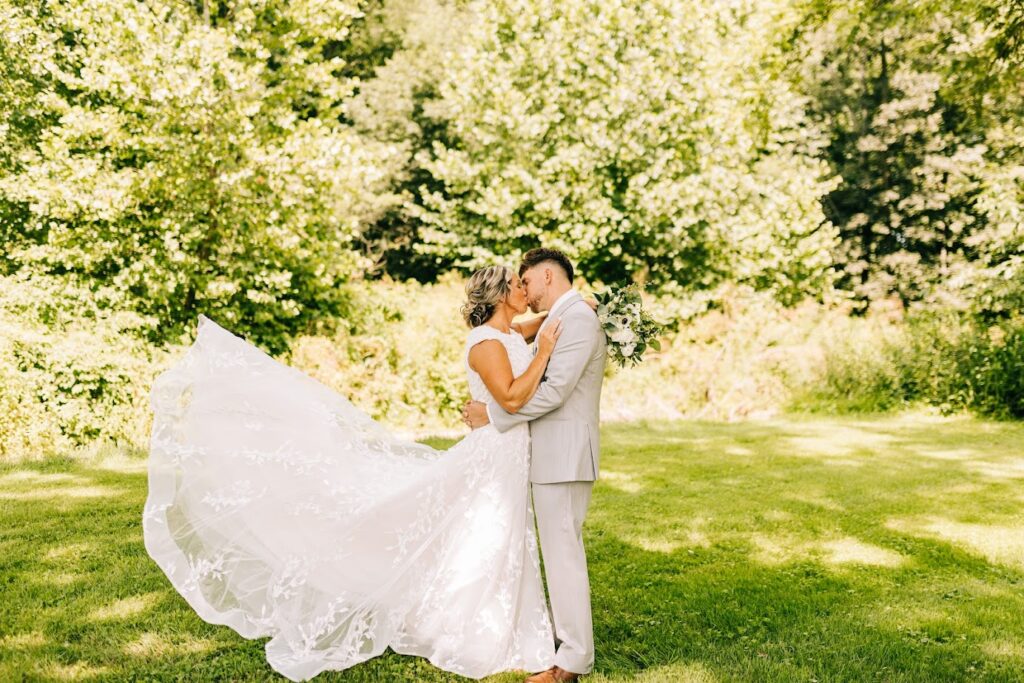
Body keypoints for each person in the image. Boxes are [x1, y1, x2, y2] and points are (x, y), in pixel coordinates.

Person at [143, 263, 569, 682]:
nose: (523, 289)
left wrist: (571, 307)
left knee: (502, 537)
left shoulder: (509, 332)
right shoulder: (485, 343)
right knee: (486, 535)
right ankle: (470, 628)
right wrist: (546, 349)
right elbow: (512, 397)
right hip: (493, 455)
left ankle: (505, 621)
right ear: (497, 295)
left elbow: (537, 326)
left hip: (507, 454)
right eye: (515, 284)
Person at [463, 248, 607, 683]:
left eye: (527, 281)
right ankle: (563, 648)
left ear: (547, 276)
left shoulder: (576, 319)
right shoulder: (567, 314)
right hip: (550, 455)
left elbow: (555, 392)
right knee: (558, 554)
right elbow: (517, 335)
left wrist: (494, 415)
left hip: (562, 455)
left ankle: (571, 663)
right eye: (516, 284)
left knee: (563, 557)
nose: (524, 289)